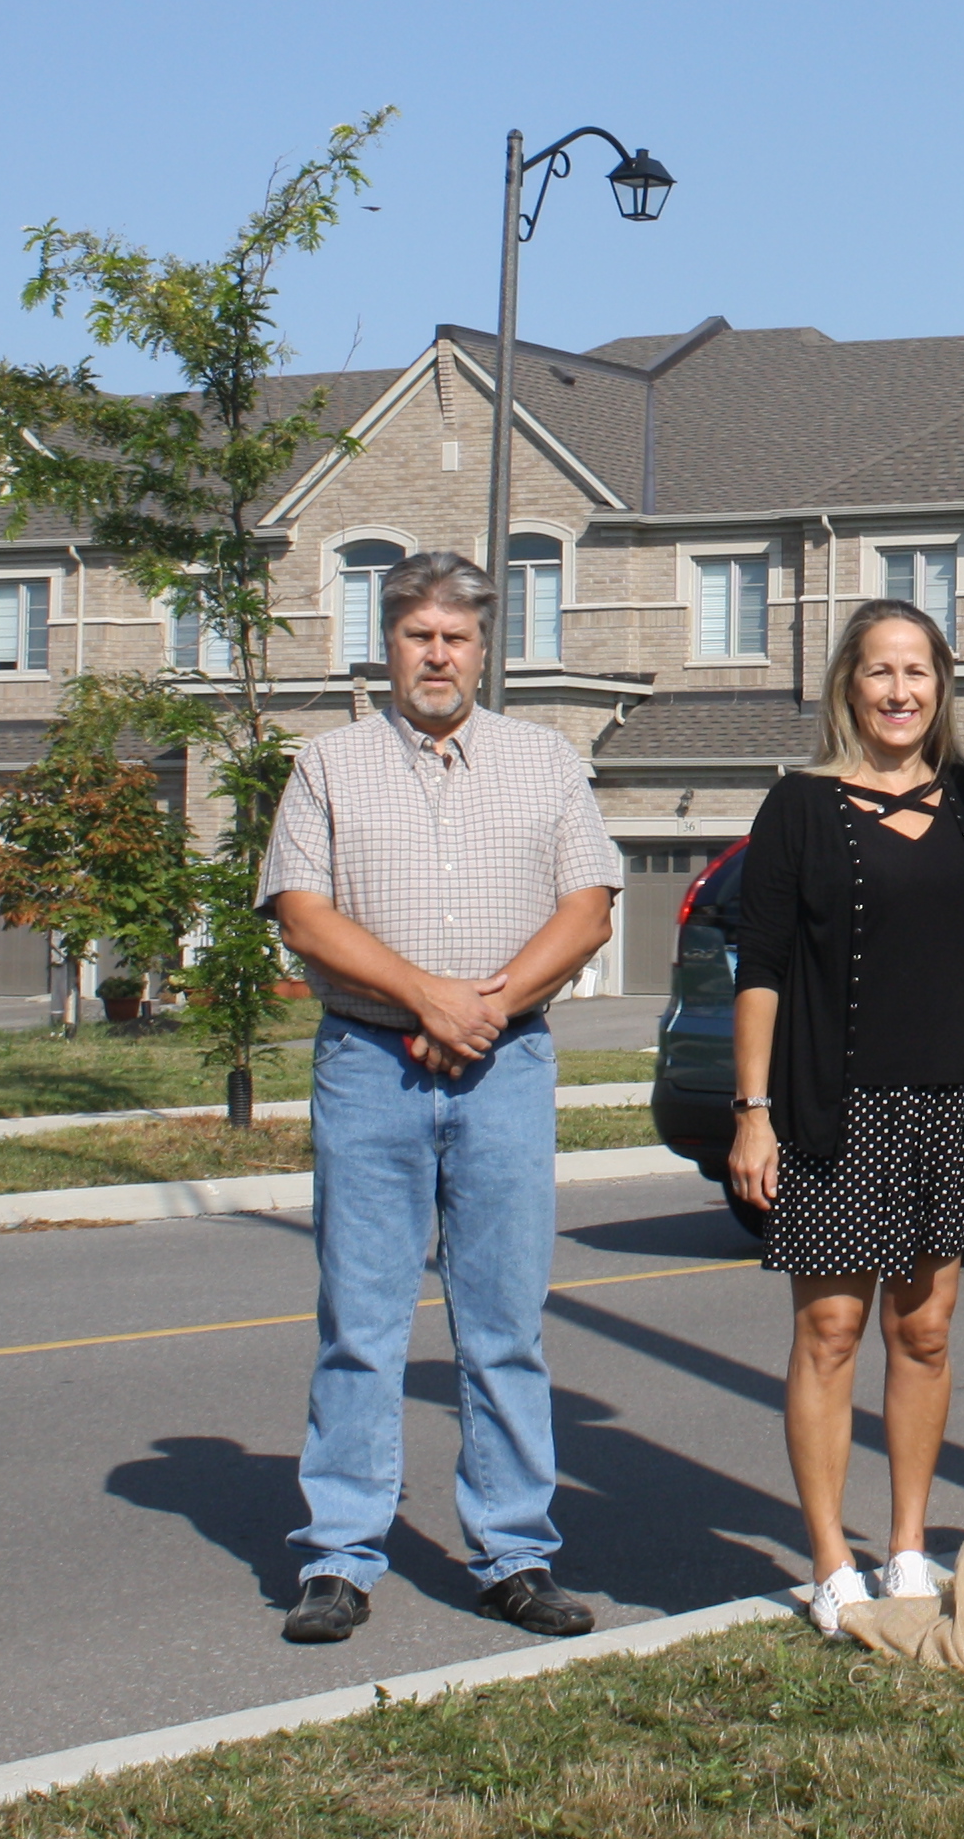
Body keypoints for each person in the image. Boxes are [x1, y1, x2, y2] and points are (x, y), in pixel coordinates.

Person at [726, 599, 964, 1634]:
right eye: (880, 671)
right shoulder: (799, 809)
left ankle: (906, 1547)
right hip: (829, 1106)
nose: (901, 691)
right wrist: (751, 1113)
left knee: (926, 1331)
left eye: (920, 672)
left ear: (944, 688)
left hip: (950, 1103)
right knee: (832, 1329)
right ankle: (827, 1562)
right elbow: (758, 966)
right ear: (849, 685)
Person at [260, 550, 621, 1646]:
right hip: (369, 1062)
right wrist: (424, 995)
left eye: (456, 637)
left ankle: (514, 1552)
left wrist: (488, 1006)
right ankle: (340, 1556)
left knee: (504, 1323)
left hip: (505, 1066)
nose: (437, 655)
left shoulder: (544, 759)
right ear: (388, 643)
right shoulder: (328, 763)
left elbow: (591, 906)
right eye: (419, 635)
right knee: (362, 1322)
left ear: (482, 649)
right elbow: (301, 911)